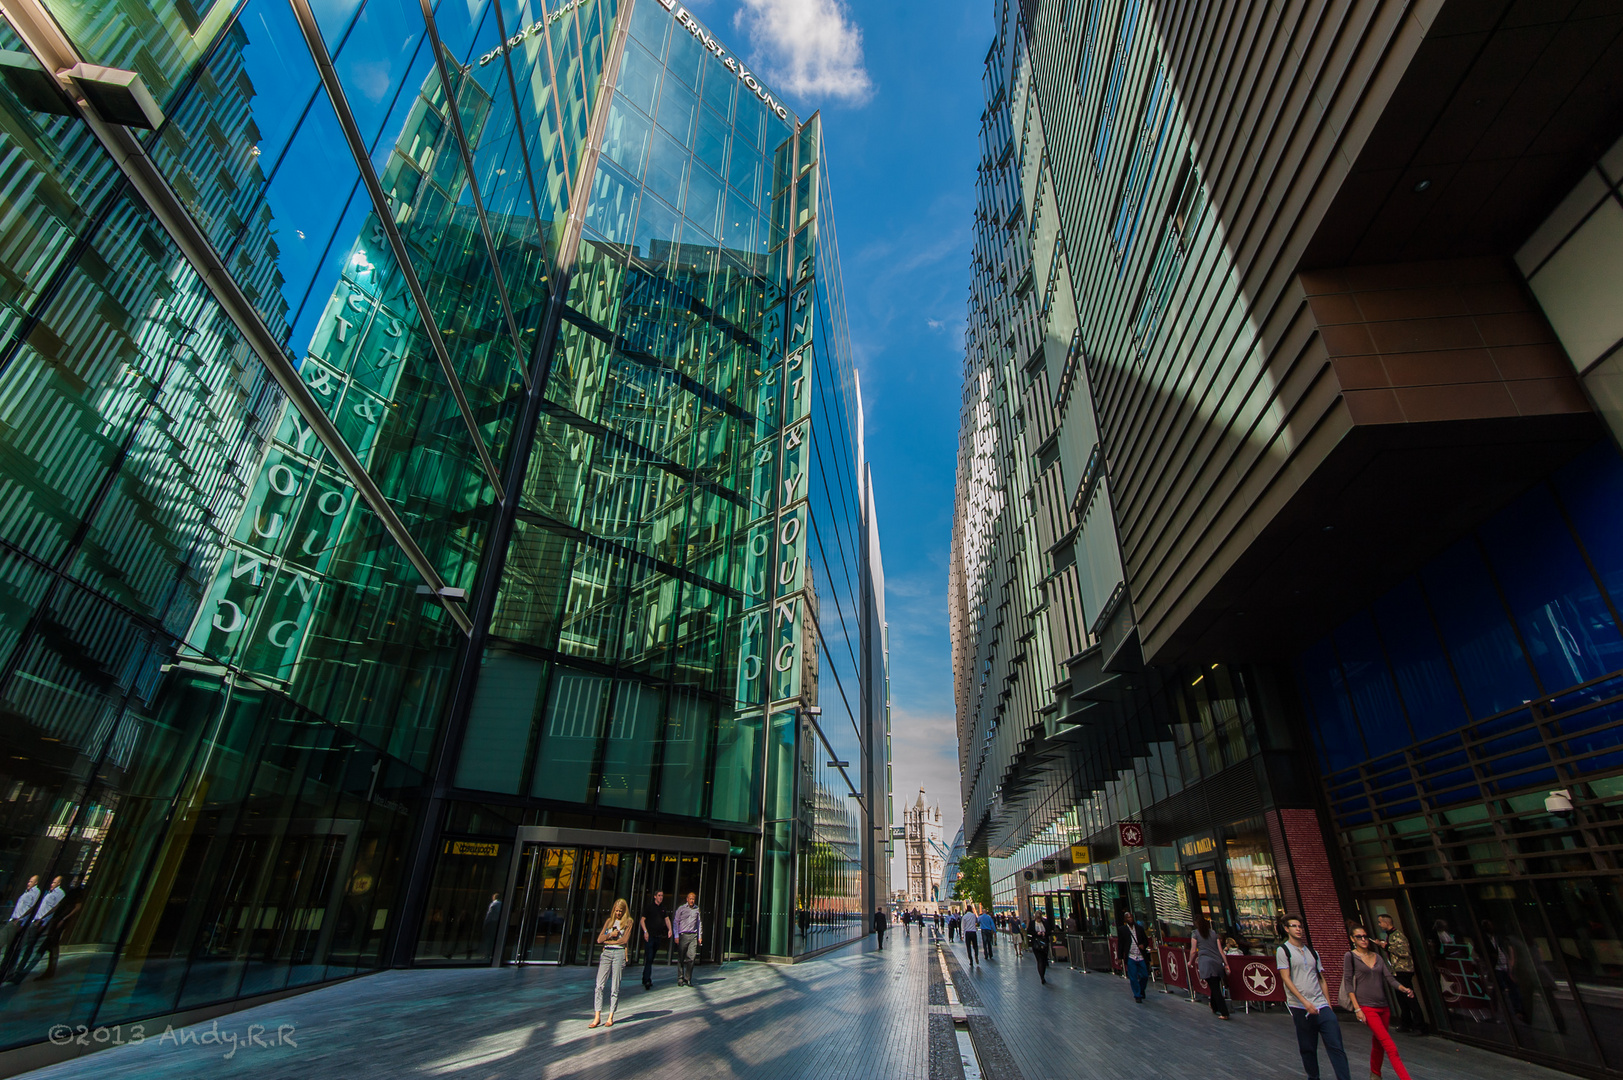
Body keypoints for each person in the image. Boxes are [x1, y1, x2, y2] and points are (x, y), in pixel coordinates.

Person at [1276, 913, 1351, 1080]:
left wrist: (1328, 1004)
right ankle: (1313, 1077)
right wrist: (1304, 1002)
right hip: (1300, 1006)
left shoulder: (1312, 951)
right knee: (1308, 1047)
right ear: (1287, 929)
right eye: (1294, 926)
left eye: (1300, 926)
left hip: (1321, 1004)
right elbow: (1286, 978)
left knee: (1336, 1046)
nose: (1298, 929)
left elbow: (1321, 978)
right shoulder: (1283, 951)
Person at [1344, 924, 1416, 1080]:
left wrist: (1403, 988)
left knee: (1378, 1042)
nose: (1363, 940)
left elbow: (1389, 978)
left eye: (1365, 936)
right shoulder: (1350, 957)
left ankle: (1375, 1074)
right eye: (1359, 937)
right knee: (1390, 1047)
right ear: (1352, 939)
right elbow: (1348, 983)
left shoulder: (1377, 957)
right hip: (1367, 1007)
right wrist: (1357, 1009)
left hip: (1383, 1007)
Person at [1377, 913, 1427, 1034]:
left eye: (1380, 922)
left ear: (1386, 923)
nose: (1379, 924)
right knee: (1401, 999)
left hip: (1403, 970)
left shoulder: (1398, 936)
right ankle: (1406, 1023)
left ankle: (1419, 1026)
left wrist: (1387, 946)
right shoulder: (1391, 935)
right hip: (1396, 970)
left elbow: (1404, 952)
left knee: (1409, 997)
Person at [7, 876, 63, 984]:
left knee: (28, 947)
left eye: (54, 882)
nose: (52, 884)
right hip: (34, 921)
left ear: (59, 884)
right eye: (52, 882)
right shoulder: (48, 893)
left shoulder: (59, 894)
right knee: (23, 947)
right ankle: (15, 972)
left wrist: (43, 922)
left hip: (40, 923)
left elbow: (54, 909)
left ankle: (19, 973)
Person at [589, 898, 632, 1028]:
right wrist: (610, 935)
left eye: (620, 911)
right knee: (599, 985)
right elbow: (599, 939)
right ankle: (597, 1016)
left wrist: (610, 941)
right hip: (606, 953)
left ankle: (611, 1016)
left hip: (618, 954)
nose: (618, 913)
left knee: (615, 986)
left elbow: (624, 940)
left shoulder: (628, 922)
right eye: (616, 910)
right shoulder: (609, 921)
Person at [1189, 914, 1230, 1020]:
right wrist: (1226, 964)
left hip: (1206, 963)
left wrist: (1190, 961)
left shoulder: (1195, 934)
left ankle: (1224, 1011)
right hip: (1216, 962)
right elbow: (1221, 950)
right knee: (1215, 985)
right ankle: (1214, 1006)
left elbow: (1193, 951)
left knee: (1215, 987)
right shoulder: (1213, 933)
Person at [0, 875, 39, 980]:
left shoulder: (35, 893)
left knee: (10, 949)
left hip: (19, 921)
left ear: (36, 883)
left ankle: (5, 972)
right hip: (12, 920)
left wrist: (22, 922)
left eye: (31, 881)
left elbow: (32, 908)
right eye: (28, 881)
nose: (28, 883)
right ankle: (7, 971)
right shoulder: (26, 892)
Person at [640, 889, 671, 990]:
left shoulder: (663, 908)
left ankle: (645, 977)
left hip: (658, 936)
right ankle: (647, 979)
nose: (661, 897)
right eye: (659, 895)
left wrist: (670, 929)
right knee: (649, 957)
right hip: (650, 936)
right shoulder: (649, 907)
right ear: (655, 896)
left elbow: (666, 919)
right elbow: (642, 920)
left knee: (651, 957)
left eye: (662, 896)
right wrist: (645, 931)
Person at [1118, 911, 1150, 1002]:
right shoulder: (1122, 930)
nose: (1130, 919)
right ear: (1125, 919)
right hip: (1131, 956)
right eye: (1128, 918)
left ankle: (1141, 989)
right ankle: (1137, 995)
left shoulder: (1139, 928)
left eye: (1131, 917)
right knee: (1133, 977)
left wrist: (1143, 945)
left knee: (1144, 976)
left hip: (1140, 956)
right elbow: (1120, 944)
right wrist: (1120, 957)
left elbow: (1146, 941)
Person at [673, 891, 703, 987]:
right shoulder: (681, 909)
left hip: (693, 935)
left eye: (693, 899)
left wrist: (700, 936)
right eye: (690, 899)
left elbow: (699, 923)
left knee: (692, 957)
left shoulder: (697, 909)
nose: (691, 901)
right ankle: (680, 978)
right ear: (687, 899)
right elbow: (676, 922)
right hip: (683, 935)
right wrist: (676, 935)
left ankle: (688, 978)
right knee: (681, 957)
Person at [1028, 910, 1052, 984]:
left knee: (1043, 960)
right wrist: (1036, 933)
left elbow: (1049, 931)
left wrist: (1045, 934)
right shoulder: (1032, 923)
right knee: (1040, 960)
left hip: (1044, 943)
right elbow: (1029, 931)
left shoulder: (1045, 923)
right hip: (1036, 943)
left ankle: (1042, 975)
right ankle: (1042, 976)